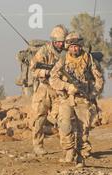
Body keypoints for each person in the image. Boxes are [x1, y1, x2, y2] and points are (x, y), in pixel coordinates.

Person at [49, 32, 104, 167]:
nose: (75, 49)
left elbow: (99, 80)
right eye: (72, 46)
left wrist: (93, 94)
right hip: (67, 98)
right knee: (65, 126)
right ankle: (69, 152)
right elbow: (53, 78)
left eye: (77, 46)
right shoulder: (63, 60)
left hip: (83, 100)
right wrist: (67, 86)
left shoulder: (88, 59)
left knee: (82, 131)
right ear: (68, 47)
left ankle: (80, 156)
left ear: (81, 46)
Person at [29, 25, 68, 155]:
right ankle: (38, 145)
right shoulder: (44, 51)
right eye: (58, 42)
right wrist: (45, 72)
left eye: (62, 42)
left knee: (63, 118)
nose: (60, 44)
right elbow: (33, 69)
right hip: (44, 88)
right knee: (38, 118)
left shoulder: (67, 53)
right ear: (53, 40)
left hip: (60, 90)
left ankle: (67, 147)